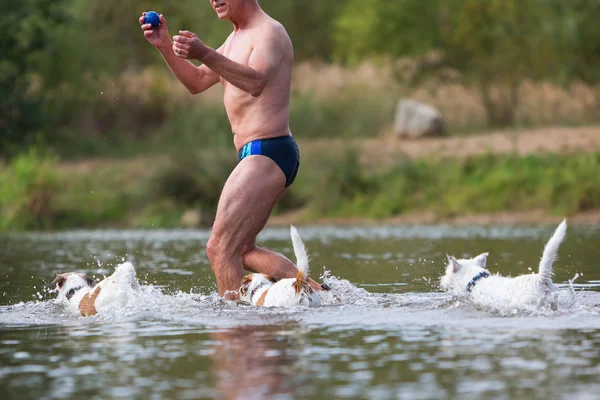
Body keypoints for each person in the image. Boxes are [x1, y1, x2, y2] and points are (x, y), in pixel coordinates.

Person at [139, 0, 326, 298]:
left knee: (218, 249)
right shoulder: (235, 38)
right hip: (258, 155)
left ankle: (236, 326)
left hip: (268, 151)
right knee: (242, 252)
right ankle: (321, 295)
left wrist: (205, 52)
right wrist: (164, 46)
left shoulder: (269, 32)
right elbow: (197, 81)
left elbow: (255, 81)